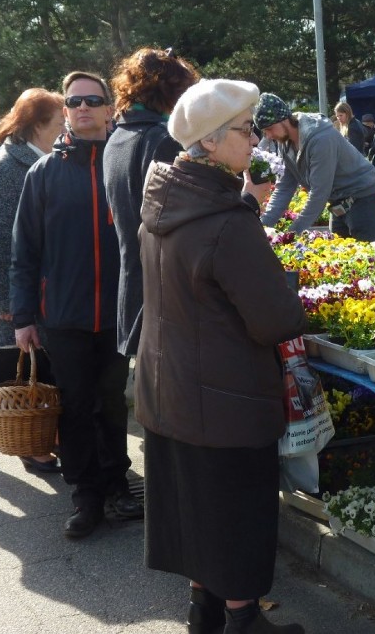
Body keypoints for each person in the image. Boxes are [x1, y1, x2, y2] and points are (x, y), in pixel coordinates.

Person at [137, 77, 307, 634]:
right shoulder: (225, 222)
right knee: (234, 510)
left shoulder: (163, 203)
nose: (254, 141)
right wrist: (287, 283)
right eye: (244, 131)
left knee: (195, 506)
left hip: (171, 388)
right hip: (226, 396)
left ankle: (204, 611)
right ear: (208, 143)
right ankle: (243, 620)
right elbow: (276, 319)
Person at [10, 71, 142, 538]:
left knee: (112, 404)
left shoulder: (125, 165)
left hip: (119, 315)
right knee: (75, 406)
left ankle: (118, 484)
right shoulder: (43, 173)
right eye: (74, 102)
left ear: (110, 110)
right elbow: (24, 251)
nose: (83, 107)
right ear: (65, 112)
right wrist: (23, 317)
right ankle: (86, 496)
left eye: (93, 100)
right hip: (62, 317)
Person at [0, 87, 65, 474]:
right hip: (21, 298)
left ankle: (49, 438)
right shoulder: (4, 170)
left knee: (46, 372)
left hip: (44, 292)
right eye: (60, 123)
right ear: (38, 125)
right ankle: (35, 447)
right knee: (30, 374)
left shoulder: (36, 160)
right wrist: (7, 306)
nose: (65, 130)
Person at [104, 46, 199, 359]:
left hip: (132, 283)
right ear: (170, 92)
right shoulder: (162, 139)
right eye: (186, 91)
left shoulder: (117, 137)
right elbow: (178, 223)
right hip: (161, 294)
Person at [255, 92, 375, 241]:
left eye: (269, 129)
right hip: (338, 204)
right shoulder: (285, 143)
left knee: (367, 257)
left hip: (362, 198)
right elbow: (284, 187)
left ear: (283, 119)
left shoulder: (321, 139)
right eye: (264, 132)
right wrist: (262, 227)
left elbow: (319, 192)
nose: (268, 136)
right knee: (339, 256)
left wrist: (292, 234)